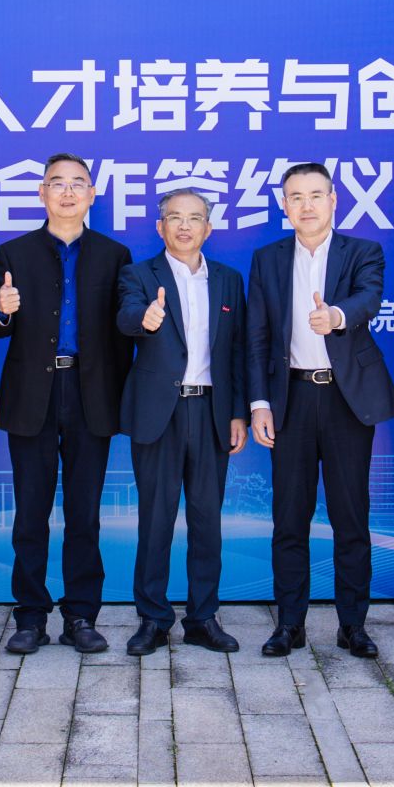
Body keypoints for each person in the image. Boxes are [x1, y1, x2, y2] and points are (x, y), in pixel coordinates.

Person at [246, 162, 394, 659]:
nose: (307, 205)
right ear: (284, 205)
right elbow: (257, 337)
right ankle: (289, 624)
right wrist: (260, 404)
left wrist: (335, 315)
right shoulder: (267, 259)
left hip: (344, 399)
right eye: (296, 197)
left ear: (334, 201)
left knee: (350, 518)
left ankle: (352, 625)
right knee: (289, 519)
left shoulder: (362, 252)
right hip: (289, 399)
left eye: (316, 195)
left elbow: (368, 298)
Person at [0, 152, 133, 657]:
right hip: (34, 396)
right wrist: (2, 309)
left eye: (77, 184)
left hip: (91, 396)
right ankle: (30, 616)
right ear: (41, 193)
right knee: (30, 512)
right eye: (57, 183)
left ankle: (81, 615)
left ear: (92, 194)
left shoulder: (114, 255)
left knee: (84, 514)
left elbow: (124, 332)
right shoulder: (13, 253)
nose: (67, 192)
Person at [116, 188, 248, 656]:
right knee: (155, 520)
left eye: (194, 218)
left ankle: (202, 618)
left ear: (208, 228)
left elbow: (237, 351)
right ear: (160, 227)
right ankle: (152, 618)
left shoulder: (228, 280)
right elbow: (126, 317)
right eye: (175, 217)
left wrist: (238, 412)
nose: (185, 226)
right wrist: (145, 318)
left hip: (211, 410)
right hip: (159, 413)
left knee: (207, 520)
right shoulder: (138, 274)